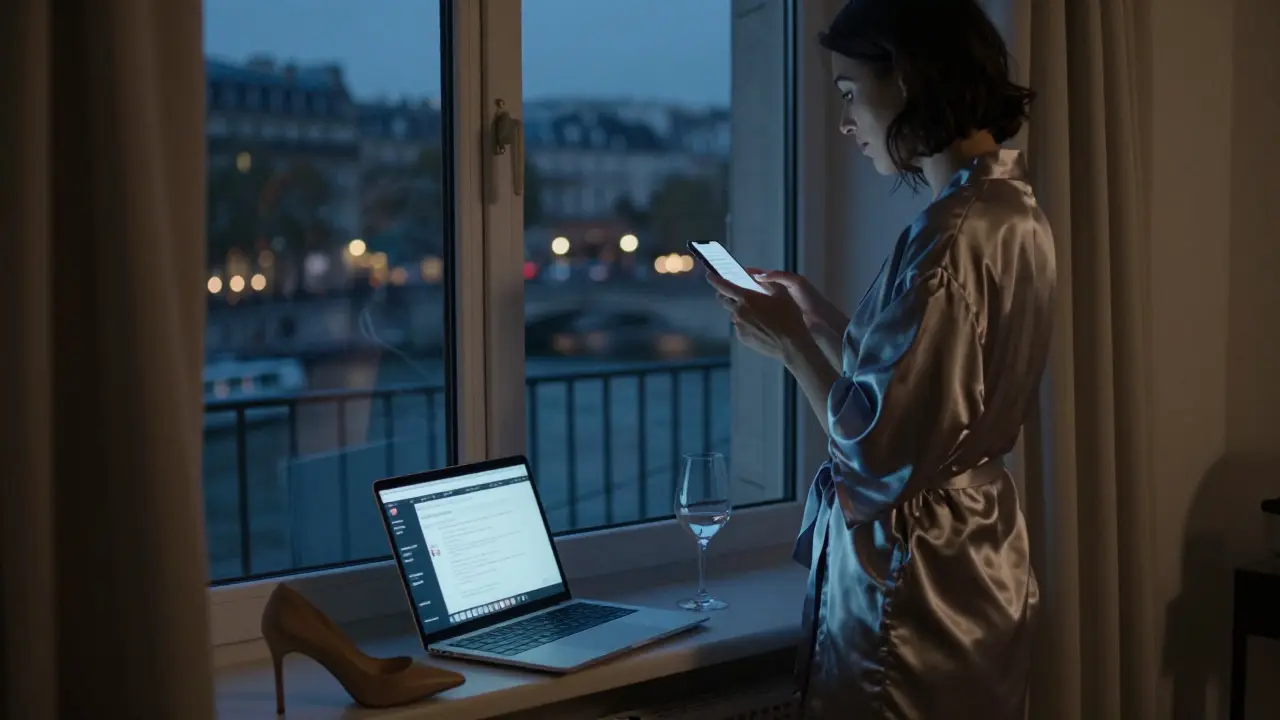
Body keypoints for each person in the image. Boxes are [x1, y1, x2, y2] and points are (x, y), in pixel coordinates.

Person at [705, 0, 1054, 717]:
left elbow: (875, 455)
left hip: (917, 581)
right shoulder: (1006, 208)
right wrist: (824, 318)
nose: (843, 124)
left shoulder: (950, 238)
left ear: (906, 78)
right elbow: (920, 389)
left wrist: (791, 343)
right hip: (974, 556)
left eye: (847, 95)